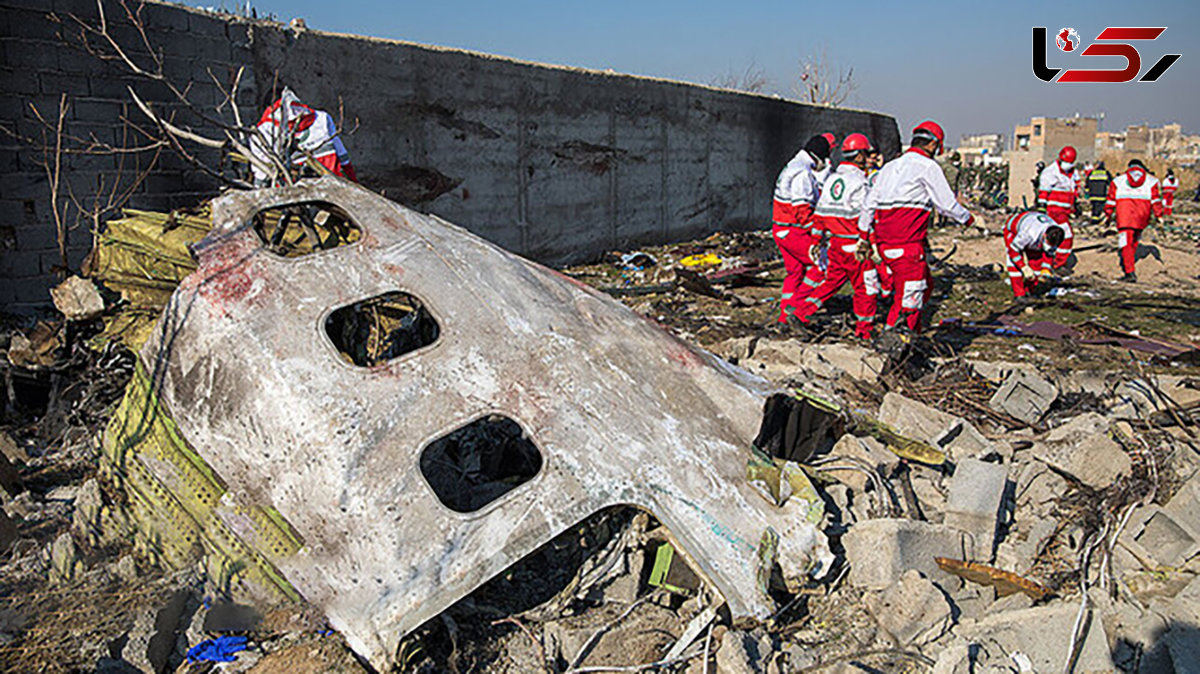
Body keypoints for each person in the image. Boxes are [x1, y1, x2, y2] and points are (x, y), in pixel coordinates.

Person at [857, 120, 974, 332]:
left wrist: (863, 237)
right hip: (907, 245)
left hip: (884, 244)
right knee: (908, 300)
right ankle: (896, 343)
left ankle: (914, 331)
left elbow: (868, 205)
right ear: (933, 145)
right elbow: (946, 205)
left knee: (926, 285)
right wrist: (968, 219)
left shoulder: (889, 166)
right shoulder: (928, 167)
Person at [791, 133, 879, 338]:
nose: (868, 159)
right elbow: (866, 217)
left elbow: (820, 215)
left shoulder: (832, 181)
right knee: (867, 288)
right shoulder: (860, 183)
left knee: (829, 283)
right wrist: (871, 242)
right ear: (858, 157)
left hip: (836, 245)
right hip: (856, 247)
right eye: (866, 155)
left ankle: (801, 313)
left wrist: (816, 240)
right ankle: (864, 331)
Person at [772, 134, 832, 323]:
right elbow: (802, 210)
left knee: (795, 271)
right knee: (820, 267)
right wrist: (816, 235)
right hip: (793, 230)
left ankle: (784, 314)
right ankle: (797, 309)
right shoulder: (803, 173)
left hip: (780, 228)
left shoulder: (792, 165)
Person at [250, 87, 358, 186]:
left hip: (290, 191)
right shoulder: (322, 117)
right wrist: (353, 183)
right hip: (330, 184)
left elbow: (261, 172)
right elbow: (342, 156)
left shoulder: (264, 130)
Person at [1105, 159, 1164, 282]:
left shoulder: (1117, 181)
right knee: (1134, 242)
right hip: (1141, 219)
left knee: (1125, 245)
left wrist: (1108, 215)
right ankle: (1130, 263)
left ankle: (1129, 272)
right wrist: (1159, 215)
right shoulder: (1152, 181)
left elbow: (1110, 200)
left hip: (1124, 219)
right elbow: (1155, 200)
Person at [1002, 210, 1068, 298]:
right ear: (1045, 235)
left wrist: (1045, 269)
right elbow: (1013, 251)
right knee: (1014, 266)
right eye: (1048, 243)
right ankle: (1019, 295)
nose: (1049, 246)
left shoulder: (1056, 232)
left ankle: (1031, 290)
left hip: (1034, 231)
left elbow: (1049, 254)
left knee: (1036, 264)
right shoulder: (1028, 234)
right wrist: (1023, 267)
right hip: (1014, 230)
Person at [1036, 146, 1077, 265]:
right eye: (1067, 162)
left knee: (1056, 237)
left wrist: (1075, 205)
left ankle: (1051, 261)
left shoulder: (1071, 173)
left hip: (1064, 211)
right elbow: (1043, 191)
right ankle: (1058, 263)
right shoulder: (1051, 173)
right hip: (1054, 211)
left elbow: (1073, 189)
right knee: (1066, 236)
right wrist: (1042, 208)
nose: (1068, 165)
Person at [1085, 161, 1111, 225]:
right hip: (1101, 195)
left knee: (1094, 207)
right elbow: (1111, 183)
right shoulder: (1106, 173)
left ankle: (1094, 220)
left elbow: (1087, 183)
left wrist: (1087, 192)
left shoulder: (1092, 172)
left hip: (1093, 195)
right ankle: (1096, 221)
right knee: (1099, 208)